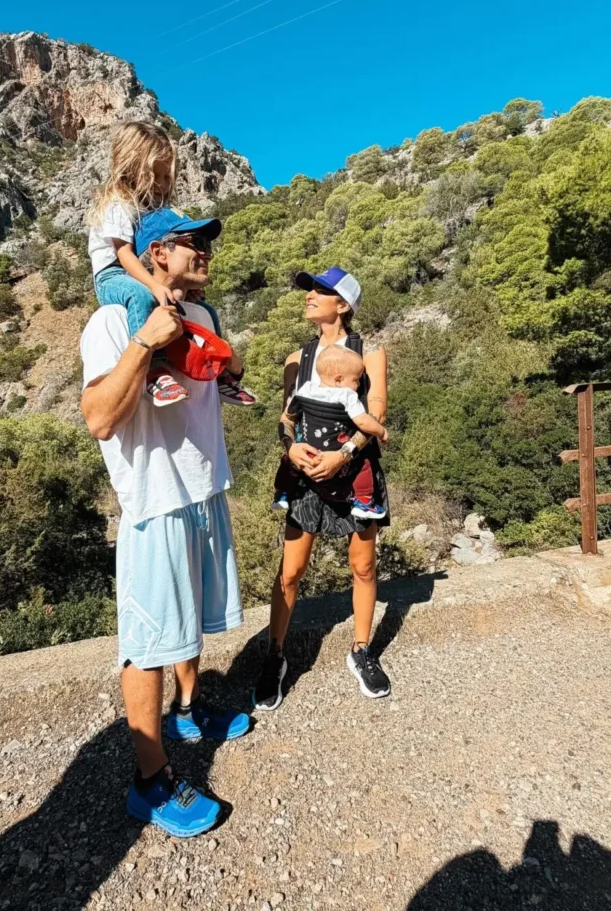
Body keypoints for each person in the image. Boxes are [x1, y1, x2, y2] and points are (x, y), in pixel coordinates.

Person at [80, 205, 249, 839]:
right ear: (155, 254)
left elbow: (225, 378)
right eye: (190, 242)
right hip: (154, 503)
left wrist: (229, 361)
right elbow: (99, 417)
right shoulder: (110, 320)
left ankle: (188, 710)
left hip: (204, 490)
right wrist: (144, 343)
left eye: (207, 241)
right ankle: (150, 783)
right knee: (148, 644)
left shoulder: (204, 315)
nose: (204, 251)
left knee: (191, 619)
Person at [253, 266, 392, 711]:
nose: (309, 296)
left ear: (343, 304)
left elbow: (375, 416)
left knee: (363, 566)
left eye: (321, 290)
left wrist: (343, 455)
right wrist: (291, 448)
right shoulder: (296, 358)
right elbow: (286, 416)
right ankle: (275, 655)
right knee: (291, 570)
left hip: (354, 474)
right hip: (306, 475)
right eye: (309, 290)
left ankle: (361, 650)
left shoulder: (370, 354)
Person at [87, 119, 253, 407]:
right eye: (156, 176)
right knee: (140, 296)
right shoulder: (118, 205)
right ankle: (153, 369)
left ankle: (221, 373)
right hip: (112, 274)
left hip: (135, 269)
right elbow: (124, 255)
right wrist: (153, 285)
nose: (163, 185)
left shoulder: (149, 208)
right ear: (132, 169)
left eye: (167, 177)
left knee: (205, 310)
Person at [272, 344, 389, 520]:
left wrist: (291, 447)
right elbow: (364, 421)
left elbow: (288, 415)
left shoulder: (306, 389)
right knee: (363, 465)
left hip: (308, 453)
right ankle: (363, 502)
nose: (358, 385)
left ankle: (282, 493)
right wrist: (382, 432)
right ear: (339, 380)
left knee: (288, 463)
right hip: (337, 453)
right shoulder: (347, 396)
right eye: (356, 380)